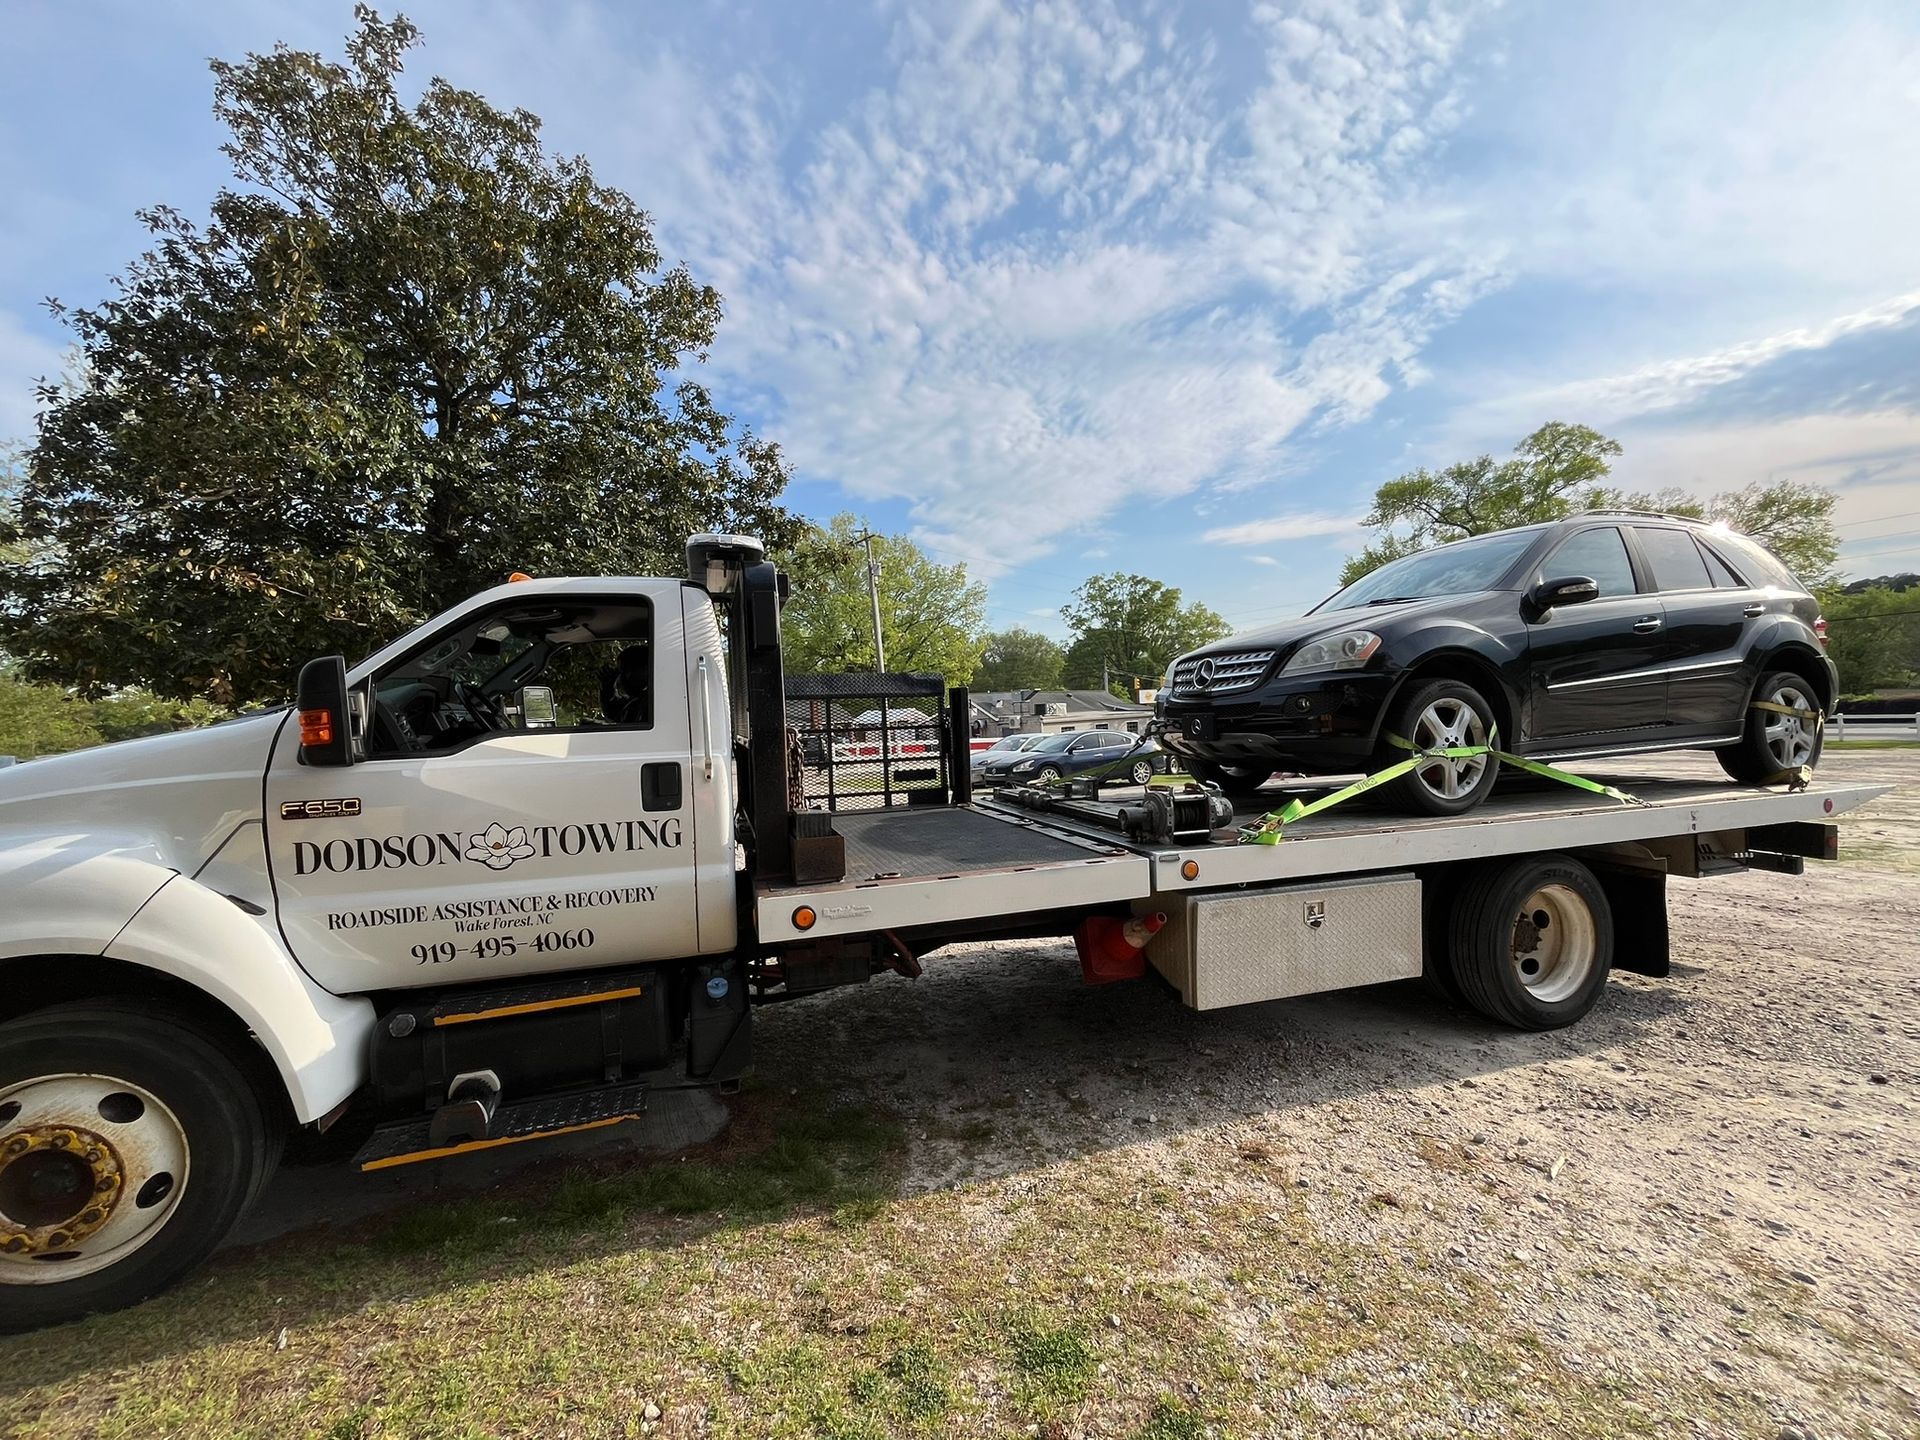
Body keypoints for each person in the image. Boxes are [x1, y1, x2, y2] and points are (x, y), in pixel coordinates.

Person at [600, 644, 651, 725]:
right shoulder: (641, 700)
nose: (621, 678)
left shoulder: (650, 703)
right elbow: (615, 714)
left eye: (624, 671)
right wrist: (607, 688)